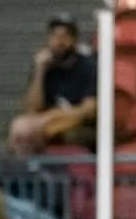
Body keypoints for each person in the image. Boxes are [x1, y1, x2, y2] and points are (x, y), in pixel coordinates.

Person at [8, 13, 96, 155]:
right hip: (44, 122)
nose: (59, 42)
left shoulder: (87, 66)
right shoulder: (44, 66)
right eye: (54, 36)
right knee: (18, 127)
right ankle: (23, 172)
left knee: (31, 129)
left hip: (76, 123)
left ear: (74, 40)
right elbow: (32, 108)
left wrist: (51, 117)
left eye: (64, 36)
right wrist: (39, 71)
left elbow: (88, 110)